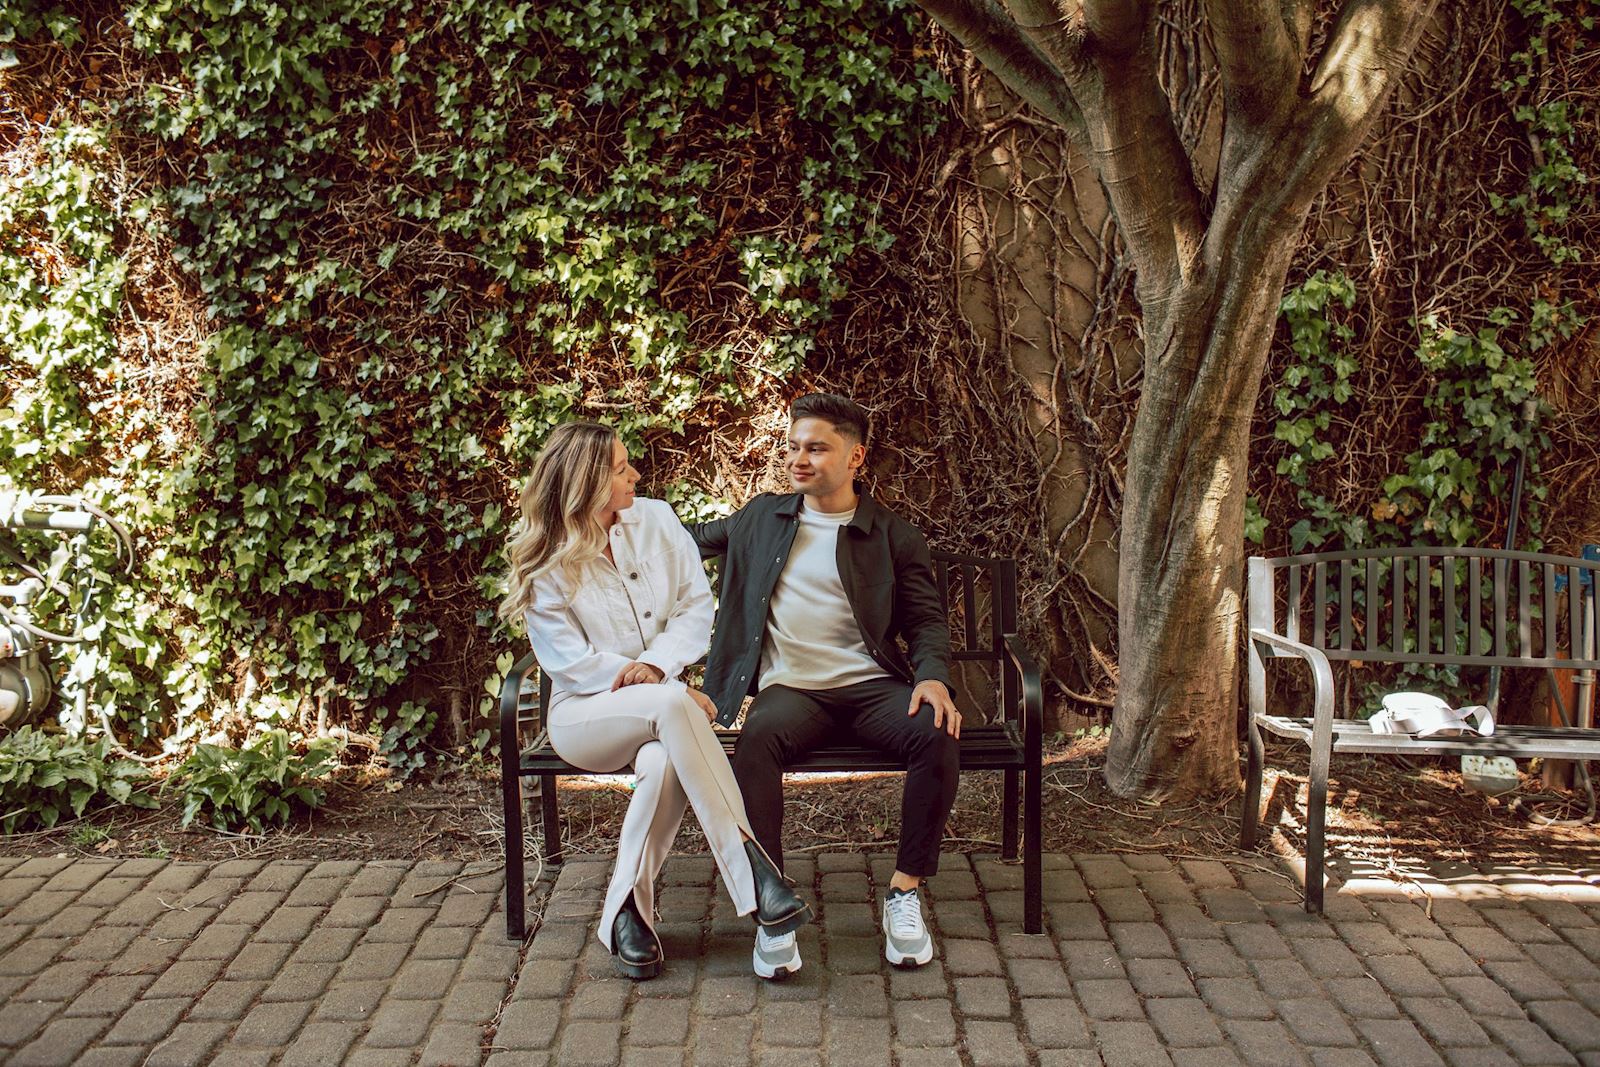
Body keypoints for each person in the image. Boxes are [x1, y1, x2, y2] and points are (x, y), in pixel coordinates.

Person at [499, 422, 812, 981]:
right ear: (587, 484)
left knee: (666, 753)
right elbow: (569, 663)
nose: (635, 476)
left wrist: (660, 668)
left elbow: (697, 608)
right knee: (674, 706)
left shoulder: (658, 521)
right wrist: (657, 683)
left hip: (666, 715)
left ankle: (627, 915)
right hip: (586, 717)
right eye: (621, 469)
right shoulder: (547, 559)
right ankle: (751, 869)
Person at [687, 393, 959, 978]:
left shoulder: (892, 535)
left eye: (816, 448)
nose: (798, 459)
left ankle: (905, 892)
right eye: (792, 447)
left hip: (871, 688)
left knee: (935, 730)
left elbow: (926, 622)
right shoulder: (761, 517)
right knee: (755, 740)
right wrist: (604, 517)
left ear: (856, 455)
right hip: (793, 693)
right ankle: (773, 907)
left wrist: (933, 678)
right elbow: (679, 542)